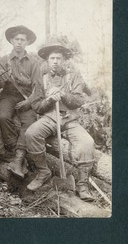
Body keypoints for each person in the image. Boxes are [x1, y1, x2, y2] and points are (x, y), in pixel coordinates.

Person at [25, 40, 95, 202]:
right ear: (47, 61)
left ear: (64, 60)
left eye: (59, 58)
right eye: (52, 58)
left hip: (70, 119)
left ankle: (82, 184)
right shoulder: (41, 79)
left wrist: (62, 94)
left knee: (87, 143)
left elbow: (78, 101)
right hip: (50, 118)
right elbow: (36, 106)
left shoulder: (74, 76)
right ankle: (43, 171)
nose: (55, 62)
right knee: (31, 134)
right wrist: (50, 100)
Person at [0, 25, 42, 178]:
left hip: (27, 97)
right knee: (3, 116)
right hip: (7, 95)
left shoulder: (34, 62)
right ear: (12, 41)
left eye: (22, 40)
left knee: (29, 122)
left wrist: (29, 102)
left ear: (27, 42)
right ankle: (13, 151)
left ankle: (18, 158)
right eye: (16, 39)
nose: (19, 42)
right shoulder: (3, 60)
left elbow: (38, 87)